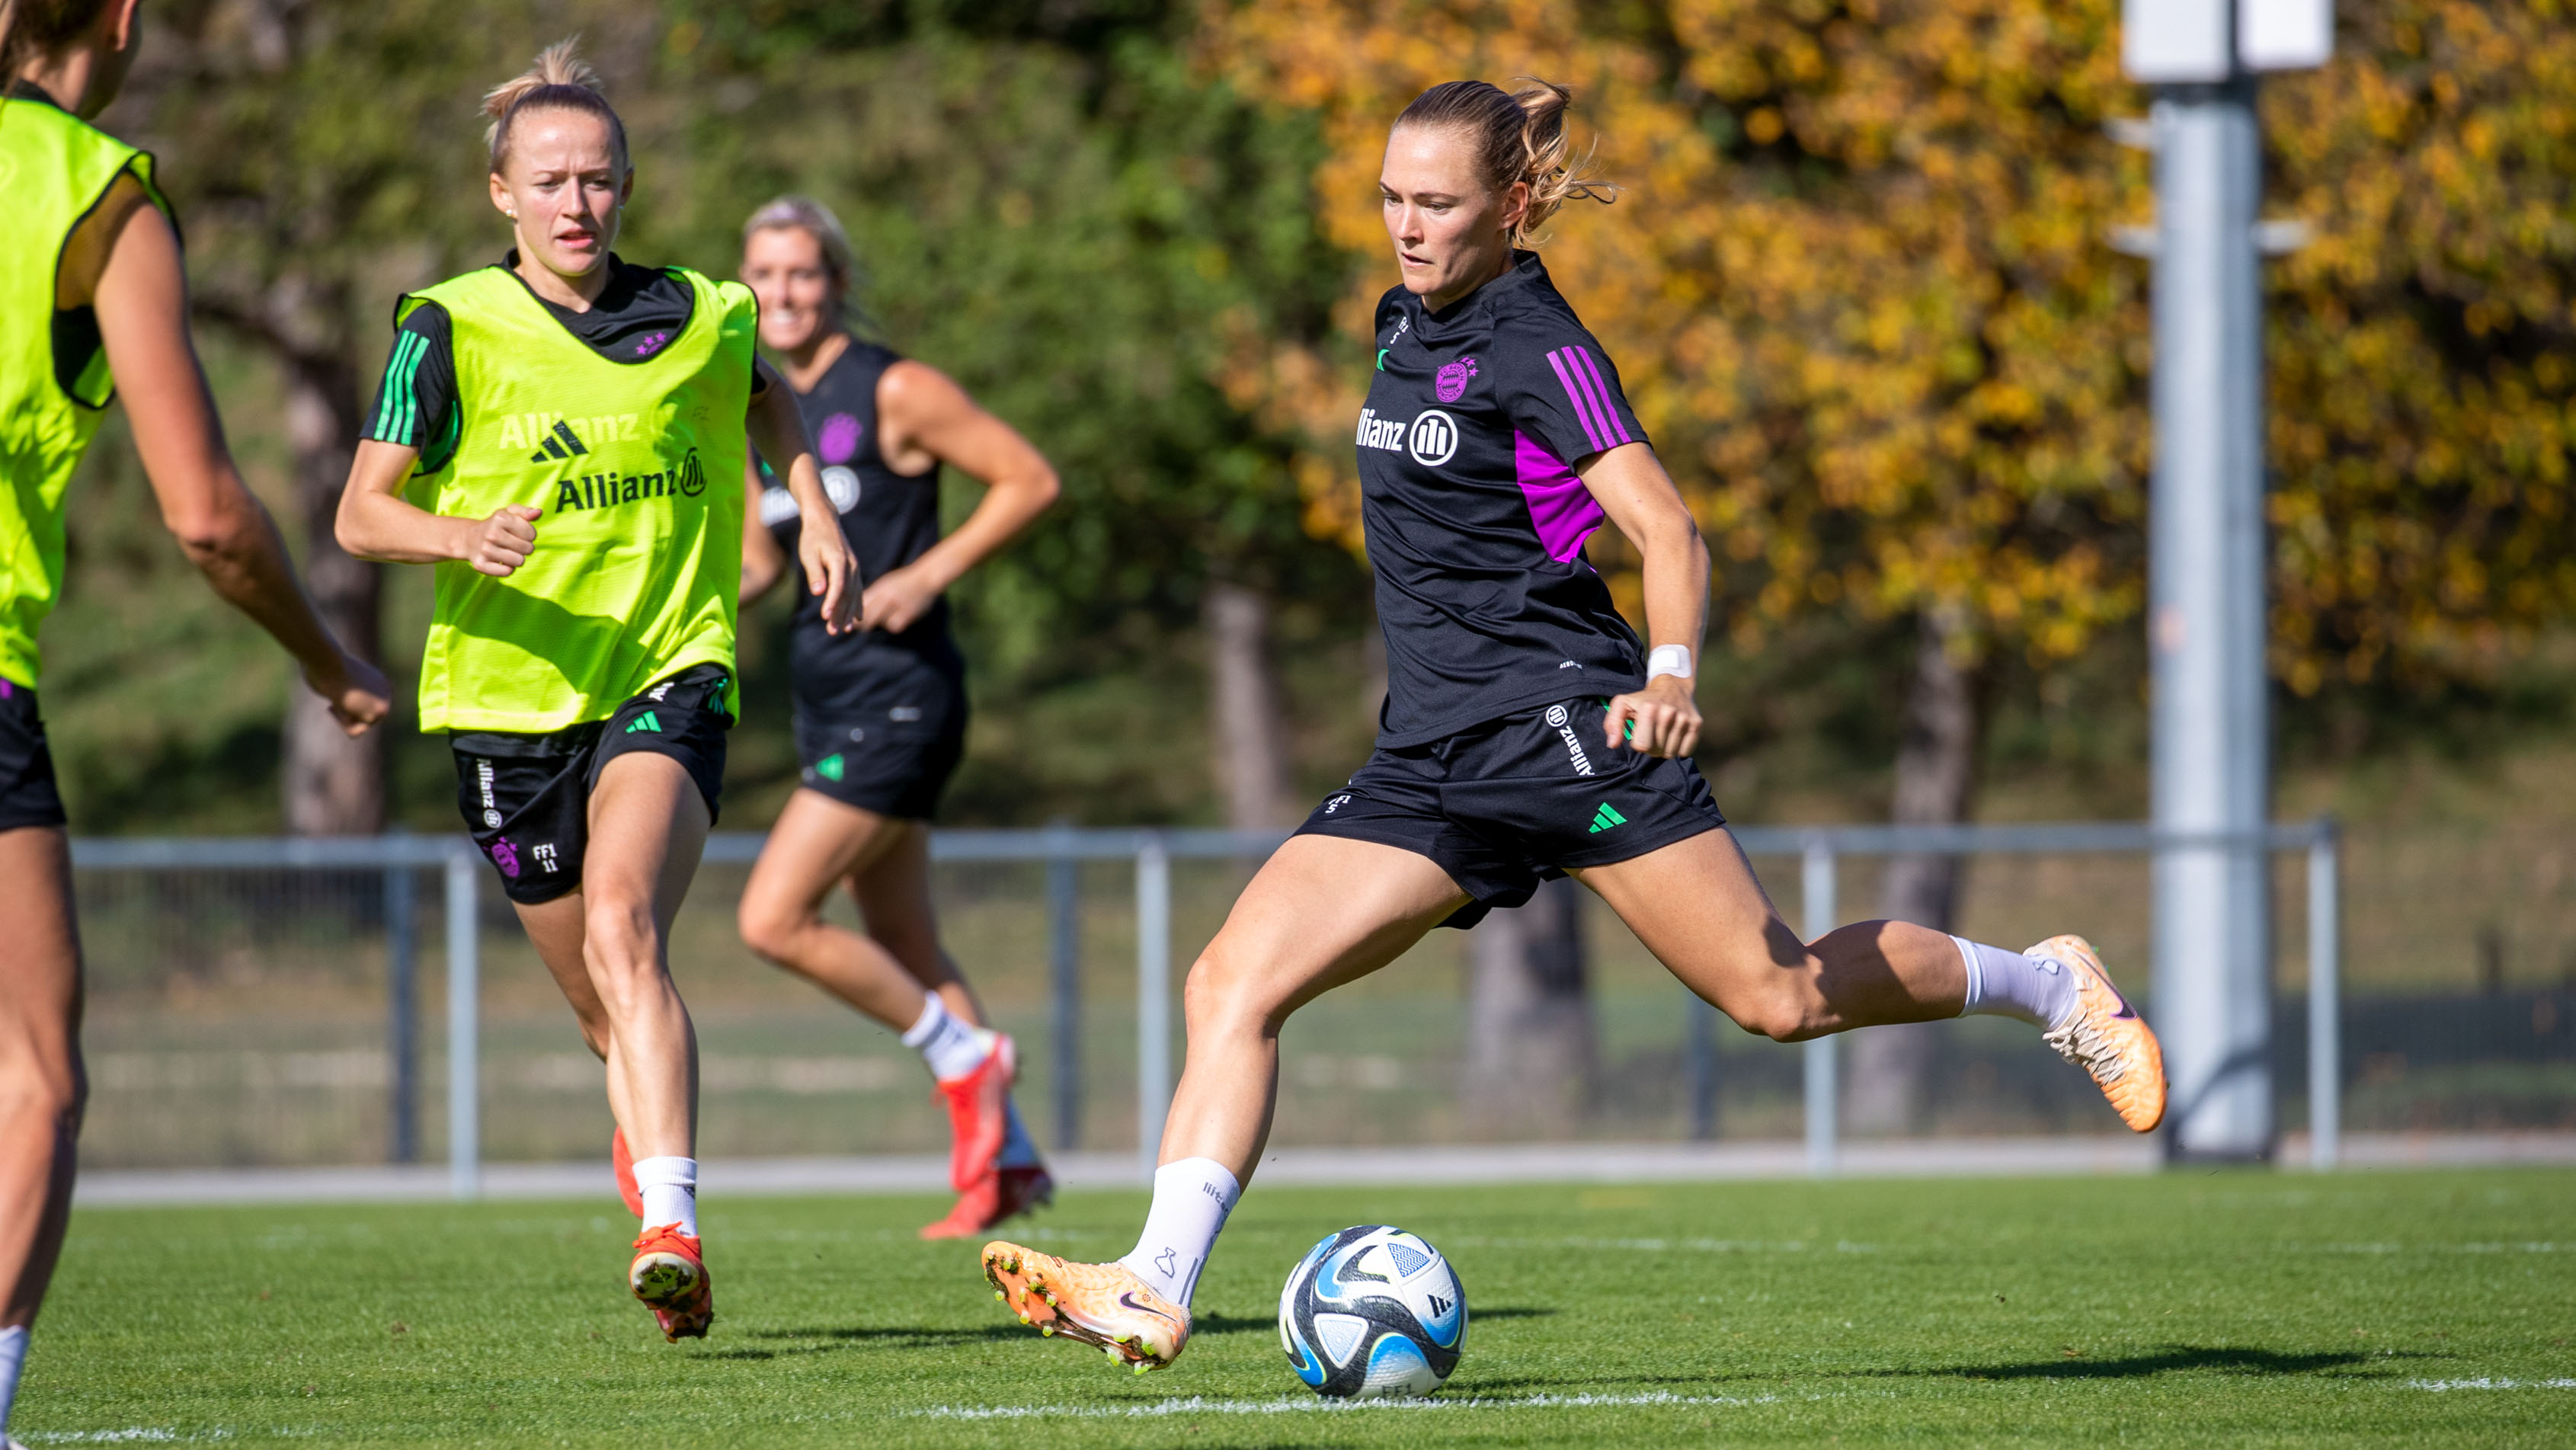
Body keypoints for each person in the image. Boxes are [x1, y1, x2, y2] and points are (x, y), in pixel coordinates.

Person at [978, 78, 2167, 1373]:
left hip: (1563, 727)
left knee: (1775, 996)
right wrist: (1527, 102)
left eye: (1436, 203)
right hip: (1428, 757)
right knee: (1230, 982)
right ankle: (1155, 1280)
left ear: (1514, 206)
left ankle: (2049, 981)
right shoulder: (1399, 320)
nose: (1405, 227)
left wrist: (1667, 672)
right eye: (1391, 197)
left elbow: (1667, 527)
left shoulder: (1540, 348)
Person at [334, 40, 856, 1343]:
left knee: (628, 928)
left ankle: (668, 1221)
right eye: (552, 181)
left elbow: (770, 404)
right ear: (501, 192)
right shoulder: (443, 326)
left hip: (667, 672)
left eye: (601, 180)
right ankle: (649, 1170)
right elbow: (359, 515)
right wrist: (459, 536)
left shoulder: (705, 310)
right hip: (507, 706)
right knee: (596, 1009)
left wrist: (816, 509)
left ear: (627, 186)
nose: (579, 204)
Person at [0, 0, 391, 1433]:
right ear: (119, 19)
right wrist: (326, 660)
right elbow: (210, 516)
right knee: (31, 1075)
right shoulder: (92, 191)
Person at [731, 198, 1062, 1239]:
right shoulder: (760, 404)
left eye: (802, 274)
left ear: (833, 281)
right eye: (764, 276)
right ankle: (1005, 1161)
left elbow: (1028, 477)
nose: (782, 294)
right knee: (904, 934)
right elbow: (750, 565)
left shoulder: (895, 387)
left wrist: (926, 572)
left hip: (902, 695)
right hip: (827, 695)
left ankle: (965, 1057)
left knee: (773, 918)